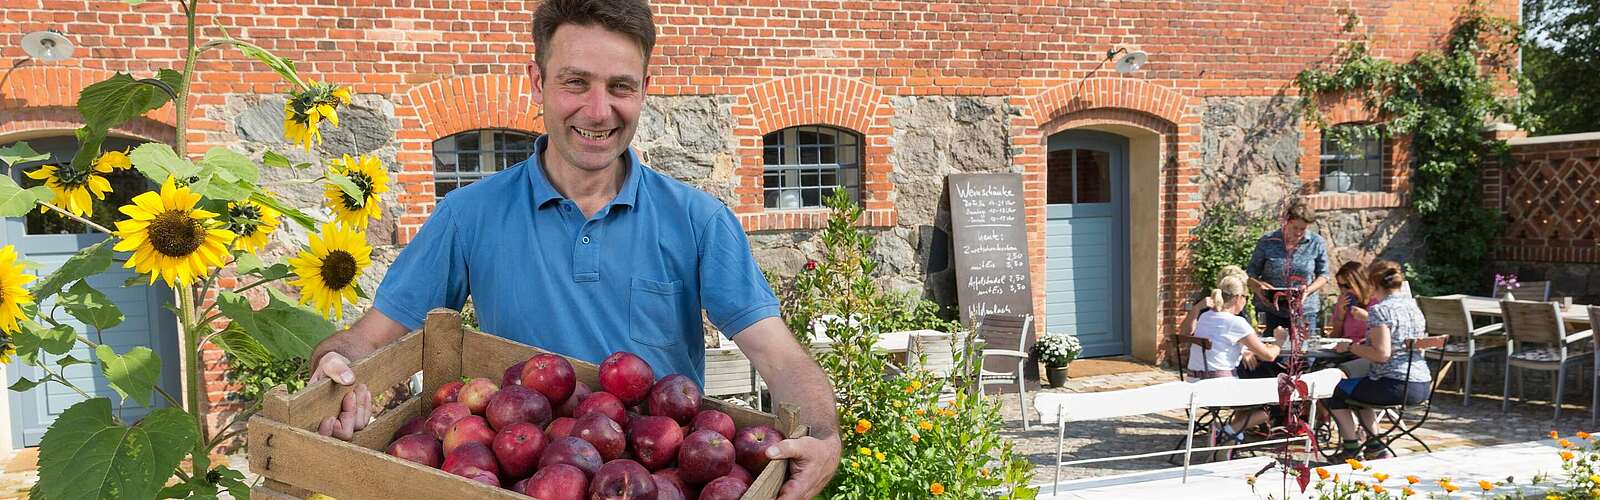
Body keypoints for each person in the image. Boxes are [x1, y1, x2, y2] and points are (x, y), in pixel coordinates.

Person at [304, 1, 841, 497]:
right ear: (537, 81)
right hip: (518, 482)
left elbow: (778, 354)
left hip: (654, 482)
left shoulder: (697, 221)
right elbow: (366, 341)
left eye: (620, 87)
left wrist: (822, 435)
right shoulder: (469, 216)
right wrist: (337, 368)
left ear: (645, 89)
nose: (599, 109)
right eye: (576, 82)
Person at [1327, 260, 1432, 460]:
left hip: (1395, 384)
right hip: (1422, 384)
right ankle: (1374, 447)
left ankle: (1351, 449)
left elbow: (1382, 355)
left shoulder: (1380, 310)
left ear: (1373, 284)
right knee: (1358, 389)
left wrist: (1350, 347)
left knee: (1335, 390)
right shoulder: (1412, 306)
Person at [1178, 266, 1286, 445]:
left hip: (1195, 385)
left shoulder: (1205, 316)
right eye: (1246, 297)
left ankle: (1232, 435)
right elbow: (1268, 355)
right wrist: (1280, 341)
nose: (1246, 301)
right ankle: (1227, 432)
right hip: (1221, 389)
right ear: (1237, 297)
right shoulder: (1236, 322)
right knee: (1276, 401)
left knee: (1254, 383)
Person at [1246, 198, 1332, 341]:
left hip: (1304, 309)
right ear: (1286, 222)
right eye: (1295, 227)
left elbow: (1324, 274)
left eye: (1303, 229)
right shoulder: (1267, 241)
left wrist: (1308, 290)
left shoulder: (1316, 242)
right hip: (1271, 309)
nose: (1299, 232)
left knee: (1304, 357)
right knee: (1271, 358)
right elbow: (1250, 273)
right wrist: (1258, 287)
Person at [1328, 261, 1375, 344]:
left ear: (1360, 283)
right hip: (1345, 351)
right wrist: (1340, 317)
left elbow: (1386, 335)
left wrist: (1367, 317)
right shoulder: (1344, 301)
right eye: (1340, 285)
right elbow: (1334, 338)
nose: (1343, 290)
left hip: (1364, 352)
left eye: (1347, 286)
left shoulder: (1376, 302)